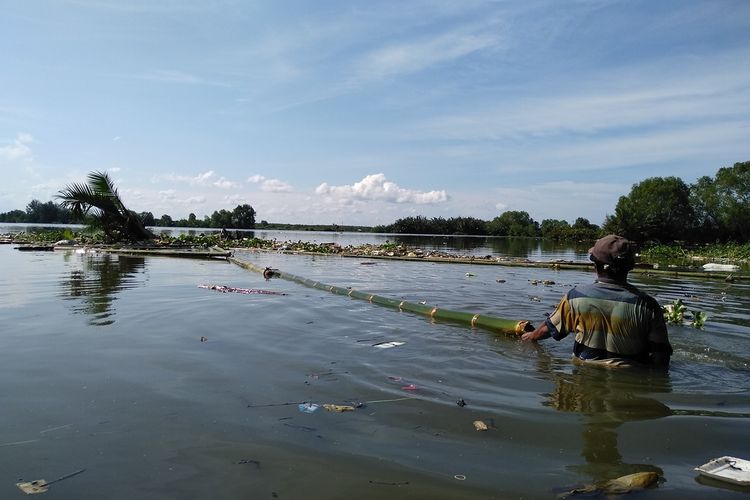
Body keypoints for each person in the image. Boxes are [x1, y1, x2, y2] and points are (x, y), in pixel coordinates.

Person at [522, 234, 672, 368]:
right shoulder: (648, 305)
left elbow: (546, 330)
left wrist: (529, 336)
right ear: (630, 267)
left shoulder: (576, 297)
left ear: (596, 265)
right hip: (629, 379)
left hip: (584, 374)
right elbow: (661, 357)